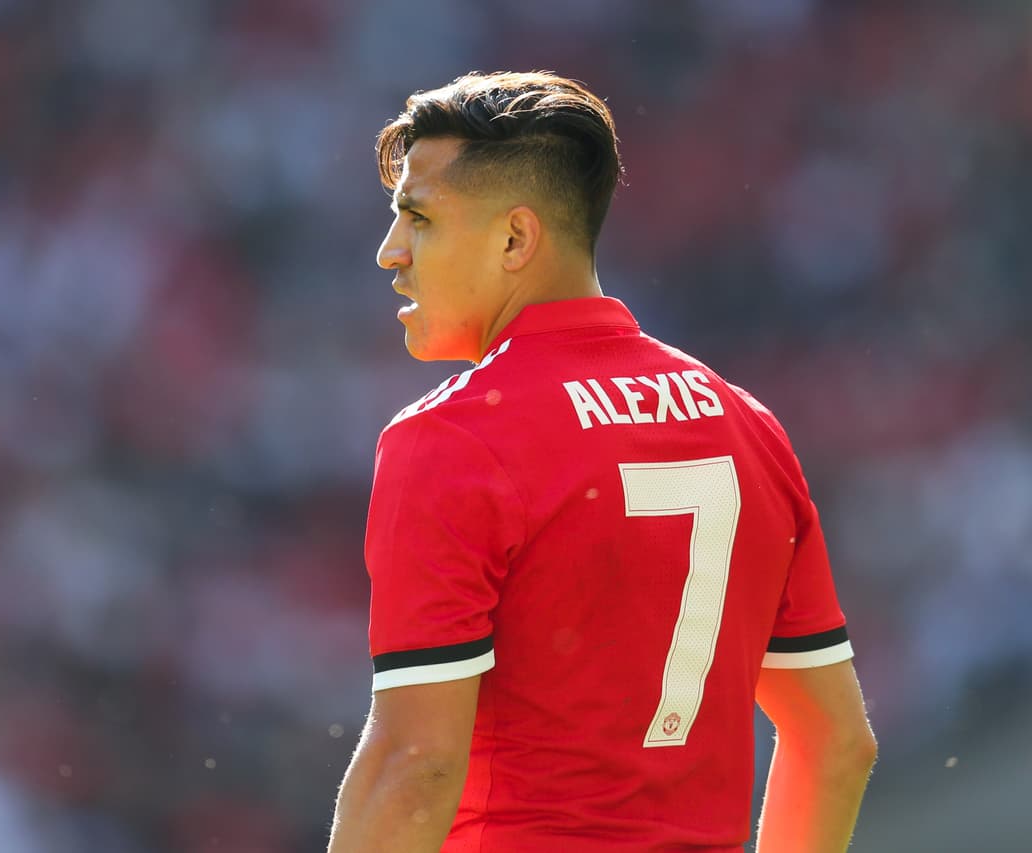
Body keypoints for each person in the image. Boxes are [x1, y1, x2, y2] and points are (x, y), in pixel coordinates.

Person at [326, 71, 877, 853]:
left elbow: (415, 768)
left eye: (417, 217)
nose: (391, 252)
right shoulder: (746, 425)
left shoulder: (451, 438)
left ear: (515, 238)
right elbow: (837, 744)